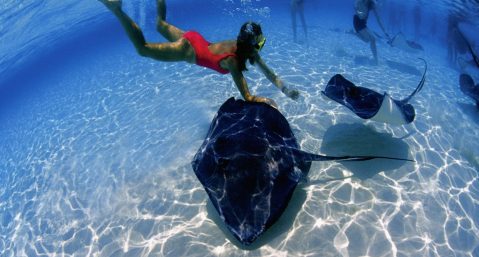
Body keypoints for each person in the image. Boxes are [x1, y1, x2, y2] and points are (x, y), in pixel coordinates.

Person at [98, 0, 299, 107]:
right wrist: (266, 101)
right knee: (143, 49)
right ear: (253, 44)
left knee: (160, 24)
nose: (262, 45)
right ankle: (116, 9)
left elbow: (270, 74)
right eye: (261, 42)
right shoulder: (233, 62)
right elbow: (247, 96)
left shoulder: (243, 48)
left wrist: (286, 90)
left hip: (196, 38)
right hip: (188, 50)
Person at [353, 0, 389, 64]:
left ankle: (354, 33)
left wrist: (384, 31)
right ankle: (376, 60)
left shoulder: (372, 4)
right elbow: (355, 6)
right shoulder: (360, 1)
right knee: (373, 39)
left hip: (364, 23)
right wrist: (358, 12)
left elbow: (378, 19)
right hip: (357, 21)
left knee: (367, 40)